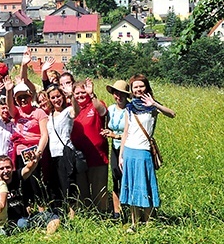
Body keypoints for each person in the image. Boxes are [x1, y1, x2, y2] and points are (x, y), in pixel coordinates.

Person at [120, 74, 176, 232]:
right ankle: (134, 223)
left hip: (144, 152)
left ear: (146, 87)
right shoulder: (129, 108)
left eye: (141, 86)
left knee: (145, 186)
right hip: (130, 151)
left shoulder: (152, 107)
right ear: (131, 90)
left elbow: (172, 114)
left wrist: (155, 104)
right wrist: (121, 155)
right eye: (135, 87)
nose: (138, 89)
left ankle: (149, 221)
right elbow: (126, 132)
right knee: (132, 187)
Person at [70, 78, 109, 212]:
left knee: (99, 190)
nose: (80, 96)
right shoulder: (72, 110)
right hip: (79, 158)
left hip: (97, 156)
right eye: (77, 93)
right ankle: (87, 216)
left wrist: (92, 94)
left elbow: (103, 111)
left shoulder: (95, 105)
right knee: (82, 191)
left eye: (83, 92)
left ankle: (103, 216)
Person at [0, 155, 60, 235]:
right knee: (23, 224)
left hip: (26, 217)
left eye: (8, 167)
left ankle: (47, 237)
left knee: (53, 217)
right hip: (10, 222)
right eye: (1, 168)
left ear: (12, 167)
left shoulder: (17, 175)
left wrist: (34, 160)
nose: (5, 171)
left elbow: (29, 168)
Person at [10, 81, 49, 204]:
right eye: (19, 98)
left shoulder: (39, 112)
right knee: (23, 182)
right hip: (19, 152)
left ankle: (41, 208)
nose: (22, 100)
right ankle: (26, 208)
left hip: (34, 150)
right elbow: (9, 106)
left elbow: (44, 134)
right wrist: (8, 90)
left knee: (35, 181)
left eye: (25, 97)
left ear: (31, 97)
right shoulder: (17, 112)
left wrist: (38, 152)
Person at [45, 85, 80, 214]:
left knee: (68, 185)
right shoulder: (49, 115)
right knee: (56, 186)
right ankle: (60, 215)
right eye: (53, 97)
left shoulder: (68, 111)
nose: (56, 100)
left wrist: (72, 96)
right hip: (53, 154)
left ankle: (73, 216)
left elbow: (76, 112)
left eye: (58, 96)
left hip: (65, 152)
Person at [101, 79, 130, 219]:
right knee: (116, 179)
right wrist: (107, 133)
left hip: (128, 149)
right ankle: (116, 211)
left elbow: (130, 132)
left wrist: (114, 135)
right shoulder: (111, 109)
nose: (118, 96)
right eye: (116, 93)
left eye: (122, 94)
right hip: (115, 149)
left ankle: (129, 210)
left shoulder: (130, 110)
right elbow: (106, 125)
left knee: (128, 179)